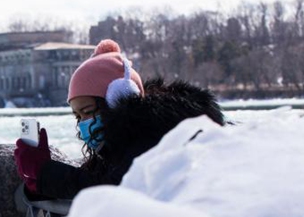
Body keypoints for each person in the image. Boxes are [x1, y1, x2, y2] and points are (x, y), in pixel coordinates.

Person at [14, 39, 225, 201]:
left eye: (87, 111)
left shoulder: (153, 134)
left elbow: (114, 189)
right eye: (77, 116)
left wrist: (44, 173)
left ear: (117, 98)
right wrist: (38, 183)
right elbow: (92, 180)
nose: (82, 123)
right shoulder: (118, 144)